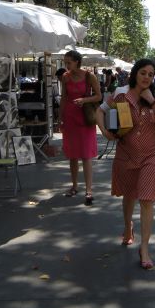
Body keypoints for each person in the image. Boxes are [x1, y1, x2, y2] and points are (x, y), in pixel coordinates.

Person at [97, 59, 155, 269]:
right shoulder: (121, 93)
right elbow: (100, 111)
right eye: (143, 73)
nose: (147, 77)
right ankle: (128, 226)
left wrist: (152, 101)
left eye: (150, 74)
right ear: (135, 74)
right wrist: (104, 132)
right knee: (129, 195)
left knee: (147, 199)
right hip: (126, 155)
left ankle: (144, 247)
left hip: (151, 156)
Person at [60, 50, 102, 206]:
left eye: (68, 62)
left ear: (77, 61)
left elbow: (99, 96)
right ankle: (74, 186)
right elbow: (64, 97)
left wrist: (84, 100)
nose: (66, 65)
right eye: (65, 62)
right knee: (72, 155)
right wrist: (60, 118)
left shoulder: (89, 76)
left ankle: (89, 190)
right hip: (70, 117)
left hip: (85, 117)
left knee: (85, 155)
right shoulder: (65, 77)